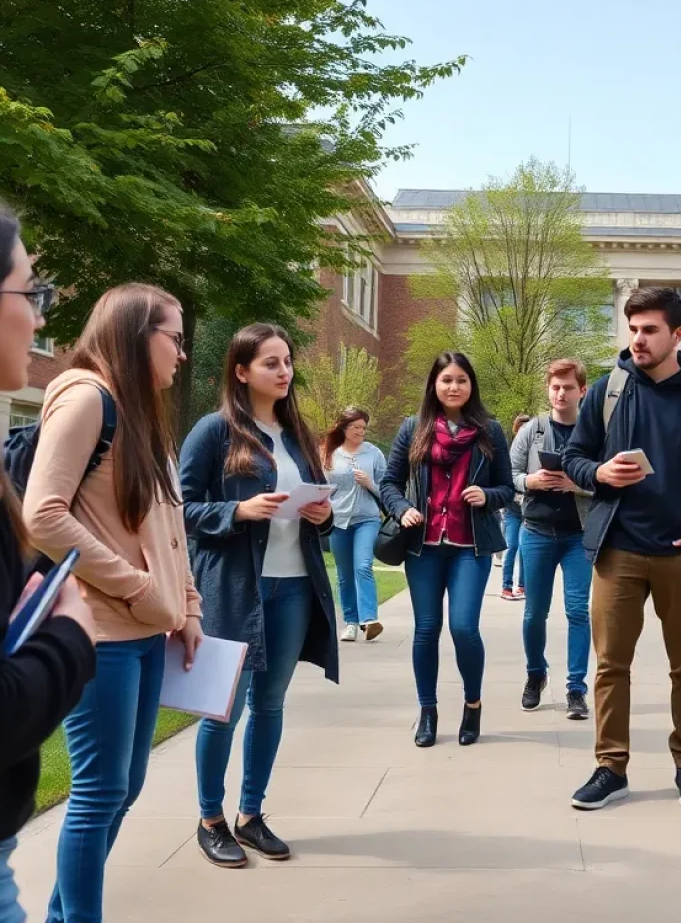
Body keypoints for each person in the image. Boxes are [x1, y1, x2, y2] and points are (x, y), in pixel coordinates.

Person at [22, 283, 203, 923]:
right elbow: (41, 514)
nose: (182, 355)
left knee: (123, 790)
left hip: (150, 630)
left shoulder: (141, 412)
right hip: (100, 633)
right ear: (134, 333)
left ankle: (61, 917)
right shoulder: (85, 400)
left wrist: (187, 609)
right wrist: (135, 585)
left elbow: (169, 529)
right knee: (99, 793)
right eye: (175, 339)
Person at [562, 286, 681, 811]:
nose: (638, 340)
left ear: (677, 334)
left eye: (649, 330)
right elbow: (573, 457)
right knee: (609, 666)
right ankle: (610, 767)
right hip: (617, 549)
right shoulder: (607, 391)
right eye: (633, 328)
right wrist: (598, 472)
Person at [180, 324, 338, 869]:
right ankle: (210, 819)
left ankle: (251, 815)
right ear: (241, 370)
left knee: (269, 705)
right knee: (221, 710)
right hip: (233, 588)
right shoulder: (213, 431)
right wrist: (237, 511)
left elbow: (317, 513)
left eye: (288, 361)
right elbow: (179, 510)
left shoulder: (297, 433)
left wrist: (324, 514)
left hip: (295, 586)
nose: (284, 370)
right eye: (271, 362)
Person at [0, 208, 97, 923]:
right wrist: (69, 633)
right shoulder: (88, 405)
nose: (39, 319)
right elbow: (47, 515)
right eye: (30, 293)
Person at [380, 351, 513, 749]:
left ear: (471, 385)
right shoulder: (412, 428)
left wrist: (486, 495)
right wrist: (401, 508)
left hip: (470, 546)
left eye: (461, 380)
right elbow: (389, 481)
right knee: (426, 630)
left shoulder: (490, 430)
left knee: (463, 628)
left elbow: (507, 488)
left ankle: (472, 704)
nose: (453, 387)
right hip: (424, 546)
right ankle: (428, 710)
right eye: (446, 380)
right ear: (434, 385)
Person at [510, 359, 592, 720]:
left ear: (582, 391)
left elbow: (607, 480)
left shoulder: (594, 433)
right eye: (555, 387)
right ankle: (535, 674)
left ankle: (576, 688)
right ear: (548, 389)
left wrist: (579, 485)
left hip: (579, 536)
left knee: (577, 611)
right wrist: (531, 482)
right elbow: (508, 473)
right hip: (536, 532)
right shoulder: (531, 430)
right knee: (534, 614)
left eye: (568, 387)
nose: (561, 393)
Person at [322, 406, 387, 642]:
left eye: (363, 427)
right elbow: (321, 486)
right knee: (344, 574)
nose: (361, 431)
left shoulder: (374, 454)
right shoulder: (330, 453)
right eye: (356, 427)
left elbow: (388, 490)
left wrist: (370, 483)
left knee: (363, 566)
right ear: (344, 428)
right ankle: (350, 622)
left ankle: (369, 619)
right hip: (338, 521)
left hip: (367, 519)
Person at [500, 414, 531, 601]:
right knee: (512, 546)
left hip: (529, 510)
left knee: (525, 548)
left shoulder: (535, 452)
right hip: (512, 509)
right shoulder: (510, 453)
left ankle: (523, 586)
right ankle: (506, 587)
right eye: (521, 429)